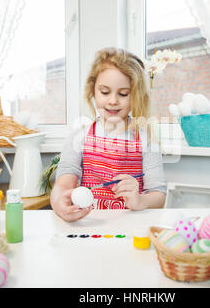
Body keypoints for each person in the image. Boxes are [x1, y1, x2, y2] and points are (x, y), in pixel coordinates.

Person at [50, 47, 166, 222]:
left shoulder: (146, 140)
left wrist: (140, 200)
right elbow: (64, 183)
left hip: (131, 226)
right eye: (105, 92)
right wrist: (59, 202)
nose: (113, 100)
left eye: (123, 94)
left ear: (136, 96)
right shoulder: (78, 137)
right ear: (93, 91)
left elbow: (159, 195)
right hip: (89, 224)